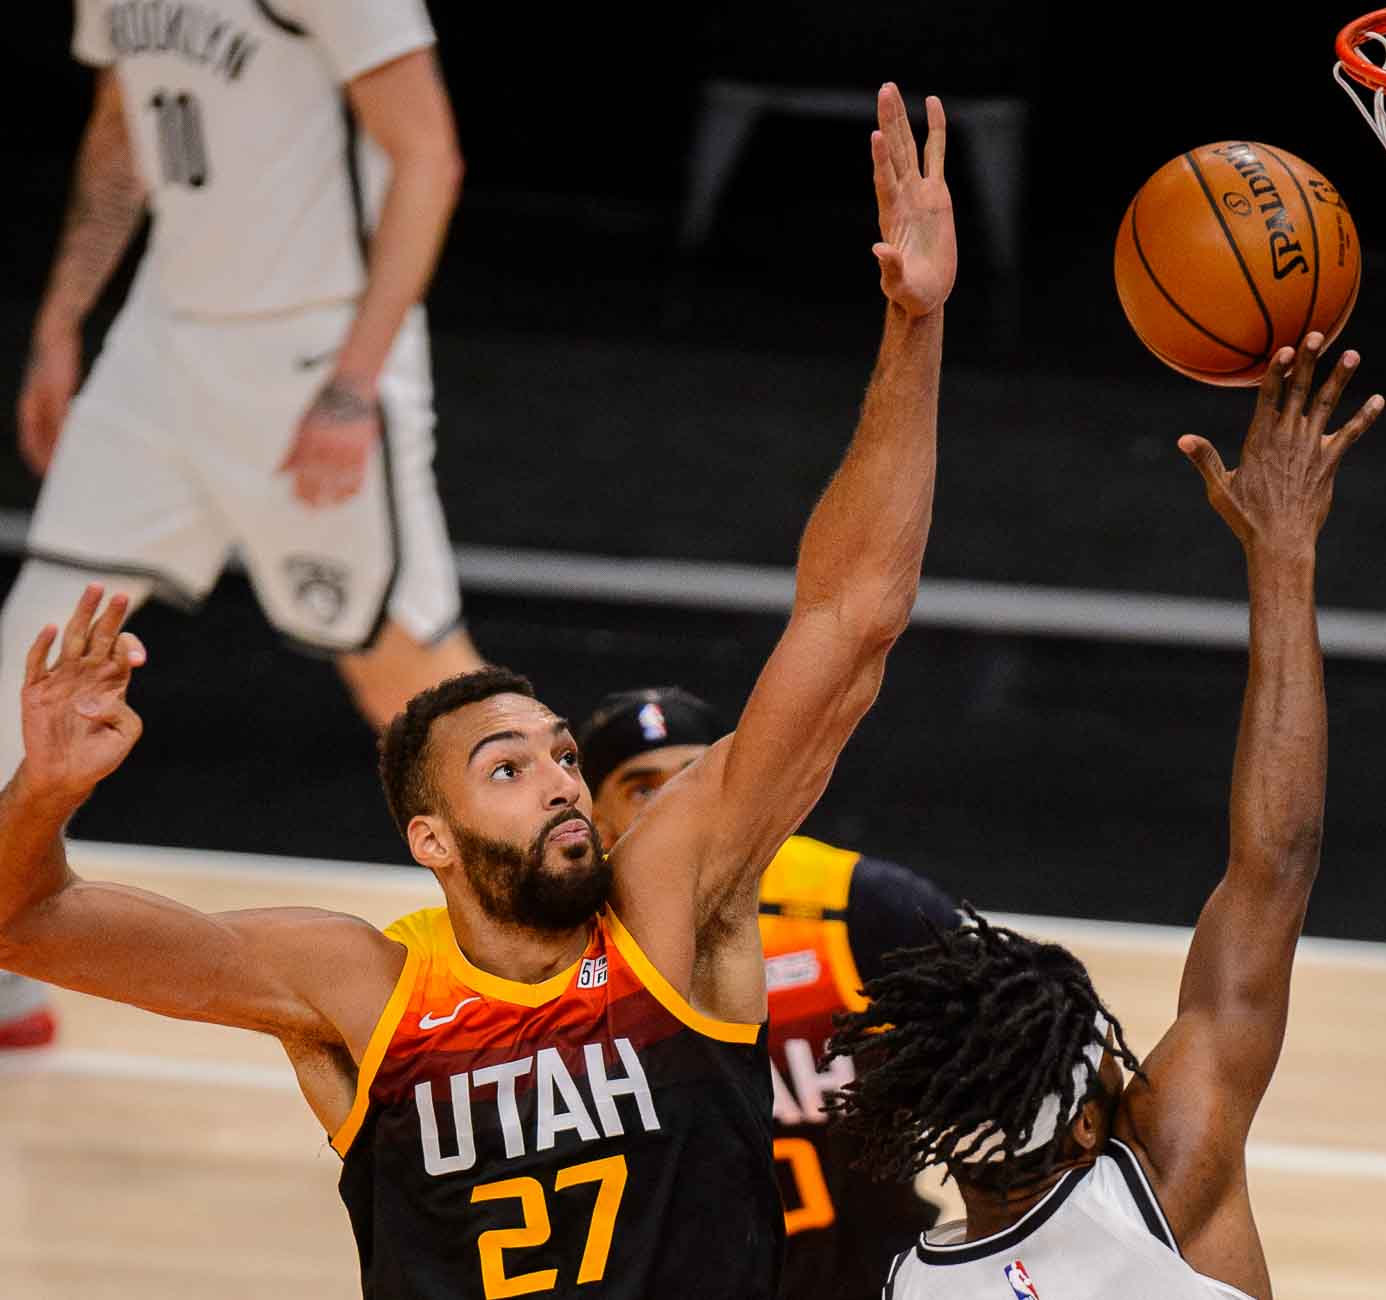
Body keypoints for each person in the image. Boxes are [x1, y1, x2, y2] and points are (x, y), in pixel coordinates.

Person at [0, 82, 955, 1298]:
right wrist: (44, 789)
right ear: (429, 837)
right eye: (510, 768)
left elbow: (850, 618)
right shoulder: (360, 986)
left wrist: (913, 328)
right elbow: (21, 921)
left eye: (562, 754)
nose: (564, 782)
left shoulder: (668, 912)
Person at [827, 334, 1385, 1300]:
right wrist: (1283, 555)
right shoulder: (1159, 1178)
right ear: (1090, 1127)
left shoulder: (909, 1291)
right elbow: (1275, 865)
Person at [1, 0, 481, 1043]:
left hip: (311, 350)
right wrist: (62, 315)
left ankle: (589, 961)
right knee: (33, 639)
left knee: (409, 681)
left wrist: (356, 383)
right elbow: (122, 128)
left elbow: (427, 156)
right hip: (163, 342)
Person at [577, 686, 962, 1299]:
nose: (681, 809)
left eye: (696, 780)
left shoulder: (852, 907)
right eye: (644, 789)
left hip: (866, 1281)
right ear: (596, 820)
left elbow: (1027, 1044)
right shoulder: (569, 951)